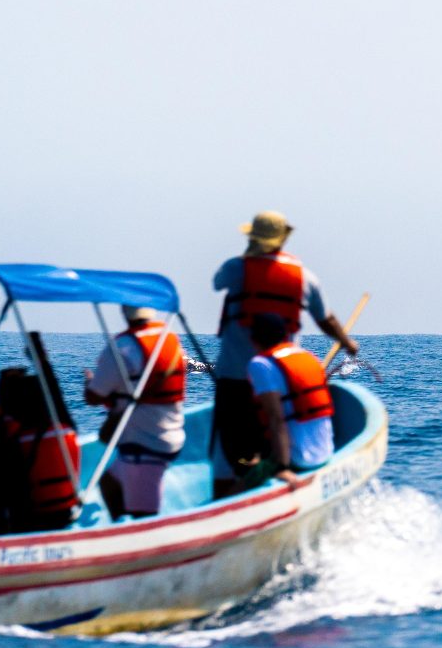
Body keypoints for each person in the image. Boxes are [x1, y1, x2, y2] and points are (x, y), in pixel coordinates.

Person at [212, 210, 357, 491]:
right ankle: (272, 478)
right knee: (272, 429)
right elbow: (325, 318)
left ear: (252, 237)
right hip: (281, 373)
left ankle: (229, 489)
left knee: (231, 441)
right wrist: (347, 343)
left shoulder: (236, 268)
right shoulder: (304, 276)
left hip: (235, 375)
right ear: (282, 239)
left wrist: (248, 256)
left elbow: (217, 284)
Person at [85, 305, 186, 518]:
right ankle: (120, 523)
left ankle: (138, 541)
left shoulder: (122, 348)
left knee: (145, 516)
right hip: (172, 433)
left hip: (145, 444)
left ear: (124, 313)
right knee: (109, 483)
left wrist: (89, 383)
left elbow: (93, 396)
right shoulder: (169, 339)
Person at [0, 372, 80, 533]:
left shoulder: (6, 441)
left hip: (25, 520)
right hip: (63, 514)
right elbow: (58, 402)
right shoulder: (65, 431)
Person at [243, 313, 336, 490]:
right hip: (325, 451)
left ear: (254, 339)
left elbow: (275, 419)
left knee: (239, 484)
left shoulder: (260, 364)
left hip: (298, 458)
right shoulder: (308, 356)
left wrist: (282, 468)